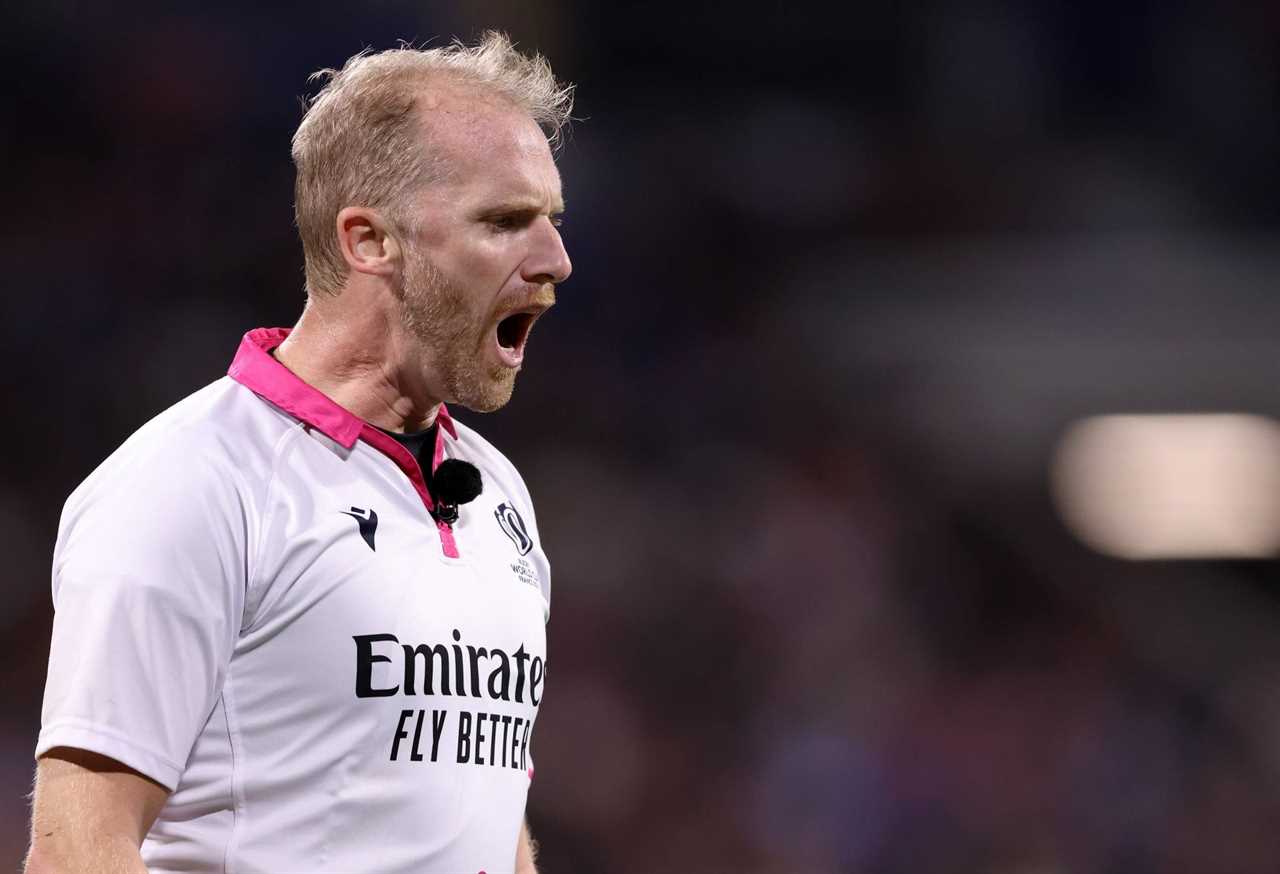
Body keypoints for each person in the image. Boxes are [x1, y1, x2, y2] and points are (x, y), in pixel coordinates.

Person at [25, 31, 572, 874]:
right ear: (369, 241)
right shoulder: (190, 483)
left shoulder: (499, 495)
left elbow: (484, 812)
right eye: (504, 222)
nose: (555, 261)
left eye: (550, 220)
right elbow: (80, 849)